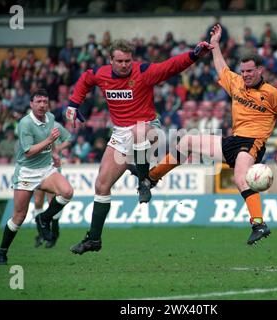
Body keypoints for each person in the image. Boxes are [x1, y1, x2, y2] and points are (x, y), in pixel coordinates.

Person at [131, 24, 277, 245]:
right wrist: (216, 46)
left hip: (252, 143)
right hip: (234, 140)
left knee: (241, 177)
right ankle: (150, 179)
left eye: (250, 71)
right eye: (243, 71)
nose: (246, 75)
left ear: (260, 70)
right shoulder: (237, 83)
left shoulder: (272, 93)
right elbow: (221, 68)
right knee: (188, 141)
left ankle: (258, 224)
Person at [66, 38, 213, 255]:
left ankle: (144, 181)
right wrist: (73, 103)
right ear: (111, 60)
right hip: (120, 133)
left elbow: (170, 66)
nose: (125, 64)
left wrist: (194, 55)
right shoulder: (102, 73)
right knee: (101, 185)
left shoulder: (143, 72)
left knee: (139, 131)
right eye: (120, 61)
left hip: (148, 127)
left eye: (128, 60)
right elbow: (86, 79)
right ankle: (93, 239)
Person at [0, 89, 74, 265]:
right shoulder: (25, 123)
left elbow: (53, 142)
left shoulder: (51, 118)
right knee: (18, 217)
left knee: (67, 192)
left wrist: (54, 153)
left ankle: (43, 218)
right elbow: (29, 152)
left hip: (46, 169)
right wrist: (49, 142)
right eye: (38, 102)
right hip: (27, 172)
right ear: (31, 104)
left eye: (45, 101)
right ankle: (2, 251)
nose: (42, 105)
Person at [33, 121, 72, 248]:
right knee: (38, 201)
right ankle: (41, 233)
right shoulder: (29, 126)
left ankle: (54, 233)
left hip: (52, 169)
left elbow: (69, 139)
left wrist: (57, 148)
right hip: (37, 168)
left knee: (51, 201)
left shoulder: (56, 125)